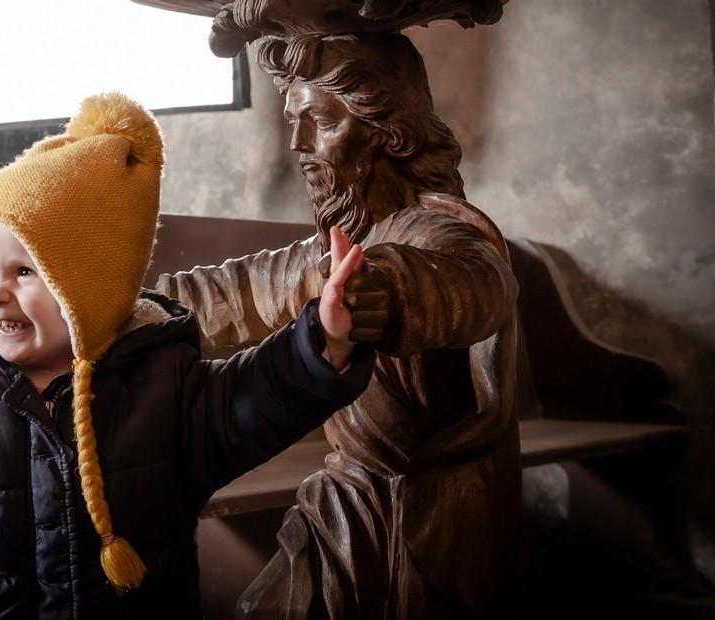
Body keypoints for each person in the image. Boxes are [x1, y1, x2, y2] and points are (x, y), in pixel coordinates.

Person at [0, 92, 375, 618]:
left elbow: (255, 398)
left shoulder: (164, 387)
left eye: (24, 271)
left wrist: (324, 339)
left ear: (89, 289)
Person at [154, 32, 522, 619]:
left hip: (428, 515)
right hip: (350, 498)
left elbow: (476, 287)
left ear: (388, 133)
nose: (298, 144)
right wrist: (101, 305)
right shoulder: (328, 252)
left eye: (318, 119)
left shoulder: (439, 232)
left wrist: (392, 289)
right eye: (291, 121)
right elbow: (226, 293)